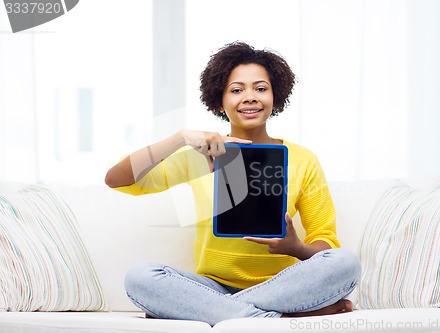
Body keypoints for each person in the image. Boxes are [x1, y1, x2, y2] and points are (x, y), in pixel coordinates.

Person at [104, 41, 361, 326]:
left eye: (260, 88)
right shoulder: (200, 156)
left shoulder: (303, 159)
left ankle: (217, 312)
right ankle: (281, 318)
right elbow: (117, 179)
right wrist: (180, 138)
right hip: (211, 287)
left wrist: (295, 247)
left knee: (345, 263)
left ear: (276, 97)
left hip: (284, 286)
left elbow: (327, 242)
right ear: (219, 100)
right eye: (237, 90)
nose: (249, 97)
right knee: (141, 277)